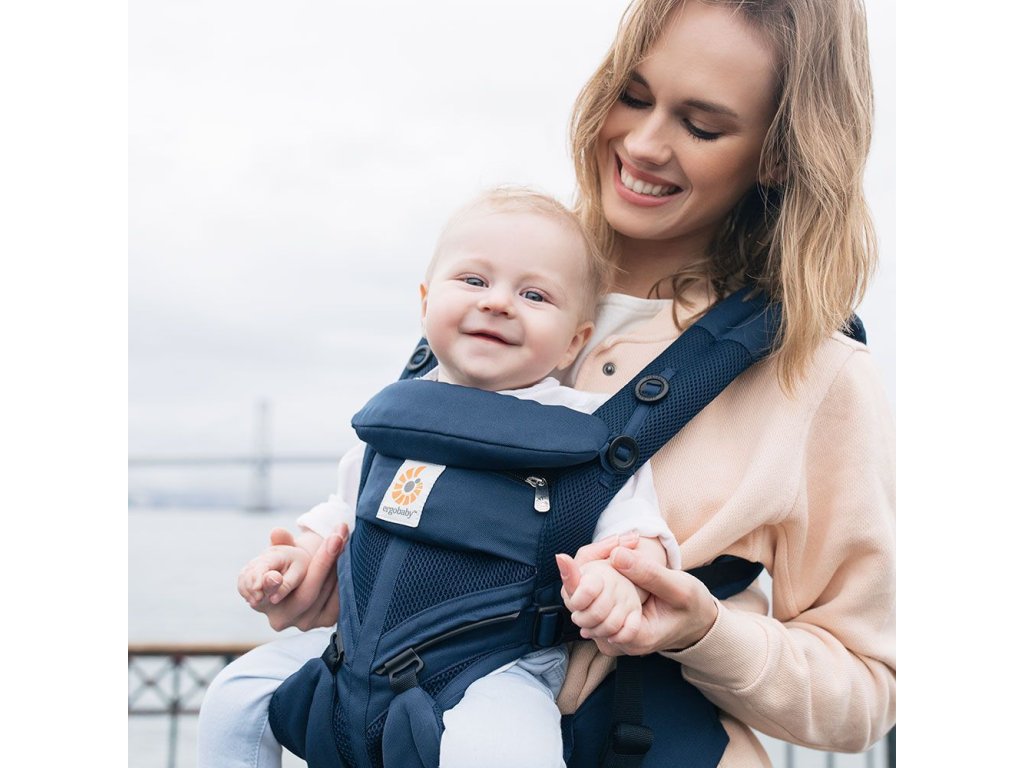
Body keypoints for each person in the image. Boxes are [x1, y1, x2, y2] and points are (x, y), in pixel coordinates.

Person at [204, 0, 896, 765]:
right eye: (631, 95)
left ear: (779, 156)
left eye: (701, 126)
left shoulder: (817, 372)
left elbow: (865, 692)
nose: (643, 143)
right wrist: (332, 580)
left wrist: (702, 630)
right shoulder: (493, 281)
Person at [199, 187, 682, 768]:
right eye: (474, 280)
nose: (498, 303)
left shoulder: (588, 433)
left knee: (505, 752)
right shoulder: (399, 417)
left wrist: (617, 582)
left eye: (533, 294)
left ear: (574, 341)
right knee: (234, 695)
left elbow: (640, 535)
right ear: (426, 302)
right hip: (358, 650)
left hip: (494, 667)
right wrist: (295, 560)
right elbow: (341, 516)